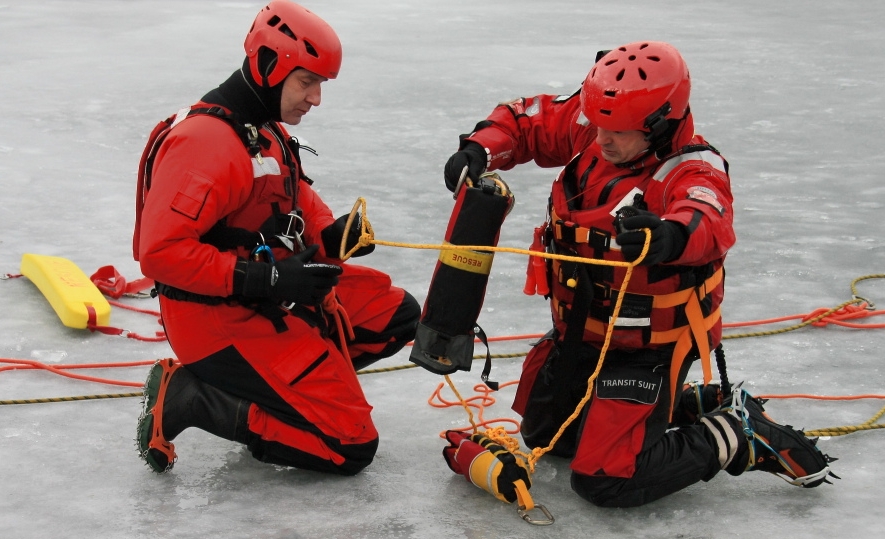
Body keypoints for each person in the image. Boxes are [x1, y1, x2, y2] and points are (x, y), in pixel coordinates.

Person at [441, 41, 835, 507]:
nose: (601, 139)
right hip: (581, 333)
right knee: (549, 436)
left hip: (645, 349)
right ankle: (688, 405)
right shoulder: (603, 125)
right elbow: (530, 121)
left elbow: (706, 218)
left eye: (618, 132)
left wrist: (665, 238)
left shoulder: (693, 168)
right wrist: (482, 148)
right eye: (598, 124)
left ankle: (736, 433)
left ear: (660, 125)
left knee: (606, 479)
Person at [134, 0, 419, 476]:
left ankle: (294, 397)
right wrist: (265, 280)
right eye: (308, 82)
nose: (316, 99)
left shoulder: (261, 130)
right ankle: (193, 398)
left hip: (268, 293)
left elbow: (293, 196)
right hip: (218, 319)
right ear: (269, 66)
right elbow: (161, 253)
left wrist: (329, 232)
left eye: (320, 85)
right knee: (348, 448)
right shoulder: (206, 144)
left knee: (397, 315)